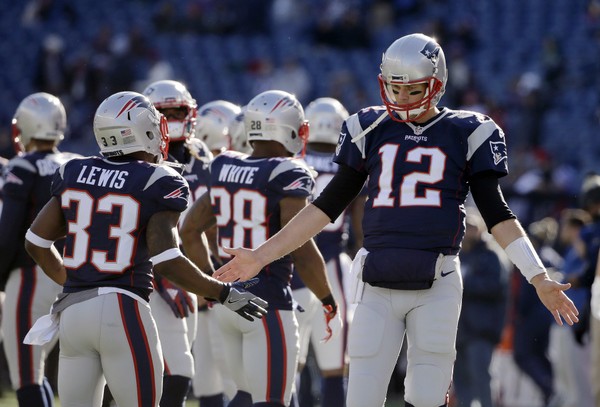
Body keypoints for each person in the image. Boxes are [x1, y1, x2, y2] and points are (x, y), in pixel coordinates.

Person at [212, 33, 579, 407]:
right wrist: (261, 256)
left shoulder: (468, 131)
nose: (402, 99)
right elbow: (325, 206)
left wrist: (538, 276)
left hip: (438, 276)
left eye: (412, 89)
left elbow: (497, 213)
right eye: (395, 88)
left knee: (427, 393)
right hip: (376, 277)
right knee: (363, 392)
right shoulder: (369, 127)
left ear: (437, 84)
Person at [22, 91, 267, 407]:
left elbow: (36, 241)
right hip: (123, 310)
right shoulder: (160, 179)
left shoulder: (75, 171)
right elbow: (167, 260)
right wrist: (222, 292)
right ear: (146, 131)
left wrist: (74, 282)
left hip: (73, 311)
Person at [180, 89, 341, 407]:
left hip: (229, 302)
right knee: (271, 400)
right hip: (267, 303)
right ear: (291, 128)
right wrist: (327, 298)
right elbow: (302, 248)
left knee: (243, 396)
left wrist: (214, 283)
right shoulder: (287, 172)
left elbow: (189, 230)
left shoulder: (224, 165)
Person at [142, 79, 220, 407]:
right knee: (172, 369)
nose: (173, 118)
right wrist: (164, 277)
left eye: (179, 111)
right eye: (165, 112)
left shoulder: (201, 156)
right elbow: (141, 228)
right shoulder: (143, 158)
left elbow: (208, 224)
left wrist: (210, 273)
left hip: (188, 275)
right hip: (150, 277)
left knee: (182, 364)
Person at [0, 92, 80, 407]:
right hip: (70, 276)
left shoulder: (24, 166)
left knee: (26, 376)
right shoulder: (75, 164)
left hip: (31, 275)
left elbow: (8, 235)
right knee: (38, 369)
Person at [290, 97, 364, 407]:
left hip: (291, 267)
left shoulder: (291, 162)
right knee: (335, 367)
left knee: (291, 364)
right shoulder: (349, 163)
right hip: (332, 266)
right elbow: (360, 227)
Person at [452, 211, 509, 407]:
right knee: (461, 381)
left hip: (481, 329)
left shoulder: (490, 255)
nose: (468, 231)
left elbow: (495, 287)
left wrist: (465, 282)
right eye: (465, 226)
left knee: (481, 377)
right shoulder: (456, 255)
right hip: (458, 330)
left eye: (473, 226)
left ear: (481, 230)